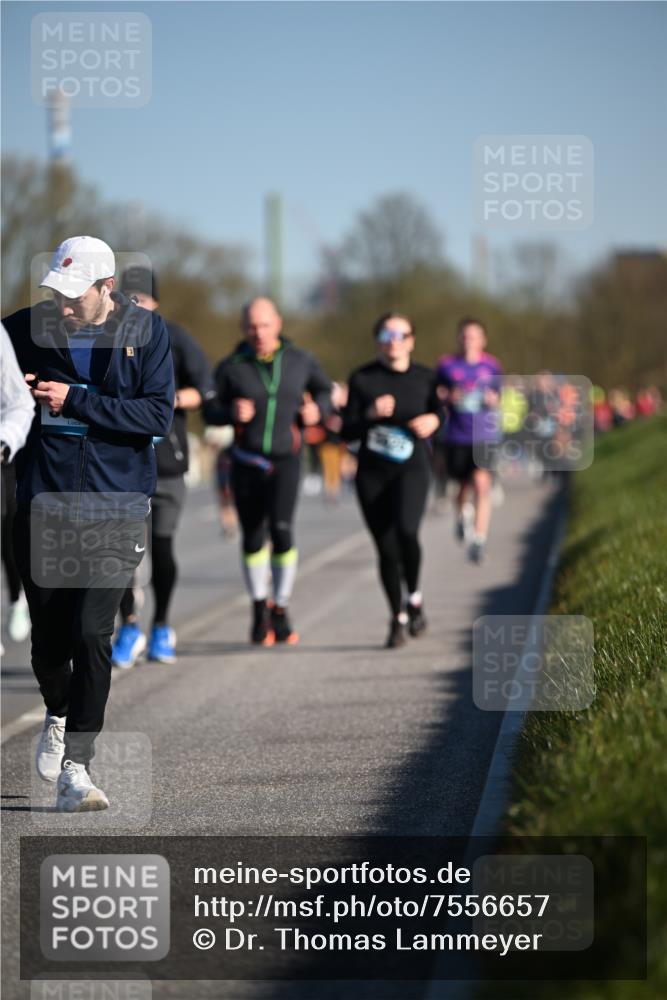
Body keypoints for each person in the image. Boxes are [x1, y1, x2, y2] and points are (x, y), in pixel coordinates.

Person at [2, 235, 174, 811]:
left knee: (93, 632)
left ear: (107, 288)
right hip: (43, 503)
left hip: (117, 504)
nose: (64, 304)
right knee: (51, 647)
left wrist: (73, 400)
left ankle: (78, 766)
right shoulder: (22, 330)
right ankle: (56, 709)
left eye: (76, 295)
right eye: (57, 292)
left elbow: (156, 415)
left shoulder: (147, 333)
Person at [204, 297, 332, 645]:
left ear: (277, 323)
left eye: (264, 325)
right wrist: (230, 411)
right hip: (246, 462)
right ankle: (259, 607)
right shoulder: (232, 366)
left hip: (286, 459)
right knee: (253, 536)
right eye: (251, 326)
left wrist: (317, 411)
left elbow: (325, 390)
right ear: (243, 328)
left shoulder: (300, 360)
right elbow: (209, 409)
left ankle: (282, 607)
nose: (257, 332)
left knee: (283, 529)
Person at [111, 267, 214, 668]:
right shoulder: (108, 336)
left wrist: (167, 398)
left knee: (163, 548)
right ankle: (130, 627)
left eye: (141, 300)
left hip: (166, 461)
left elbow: (205, 387)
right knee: (124, 555)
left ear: (155, 302)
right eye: (127, 299)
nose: (133, 306)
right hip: (121, 464)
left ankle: (162, 627)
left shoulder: (173, 336)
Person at [342, 312, 441, 649]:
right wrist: (368, 415)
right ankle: (397, 617)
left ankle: (414, 596)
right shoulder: (363, 379)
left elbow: (440, 413)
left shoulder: (426, 378)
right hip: (372, 473)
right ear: (378, 340)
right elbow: (346, 430)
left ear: (411, 340)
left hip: (411, 469)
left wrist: (432, 420)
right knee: (385, 548)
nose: (393, 340)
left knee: (407, 532)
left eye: (400, 334)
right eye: (386, 334)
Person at [436, 318, 502, 564]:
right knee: (463, 486)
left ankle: (479, 540)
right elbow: (435, 394)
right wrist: (446, 396)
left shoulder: (492, 366)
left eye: (474, 336)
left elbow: (498, 395)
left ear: (483, 340)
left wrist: (492, 399)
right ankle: (462, 514)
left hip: (483, 435)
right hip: (456, 435)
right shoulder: (446, 365)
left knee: (482, 484)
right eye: (465, 335)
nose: (469, 340)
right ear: (459, 338)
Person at [1, 323, 35, 652]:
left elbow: (19, 403)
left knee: (7, 536)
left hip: (3, 459)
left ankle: (16, 598)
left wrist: (3, 443)